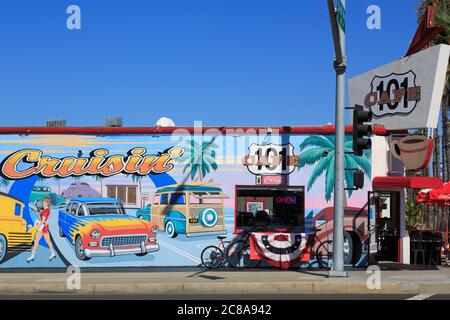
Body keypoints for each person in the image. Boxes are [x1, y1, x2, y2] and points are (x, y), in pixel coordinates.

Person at [27, 196, 56, 262]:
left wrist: (37, 226)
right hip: (45, 227)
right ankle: (53, 253)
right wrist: (37, 211)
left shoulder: (46, 210)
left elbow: (42, 220)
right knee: (47, 241)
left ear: (46, 203)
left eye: (43, 201)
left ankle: (32, 255)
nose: (42, 202)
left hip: (42, 227)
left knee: (37, 241)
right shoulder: (46, 209)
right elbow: (41, 213)